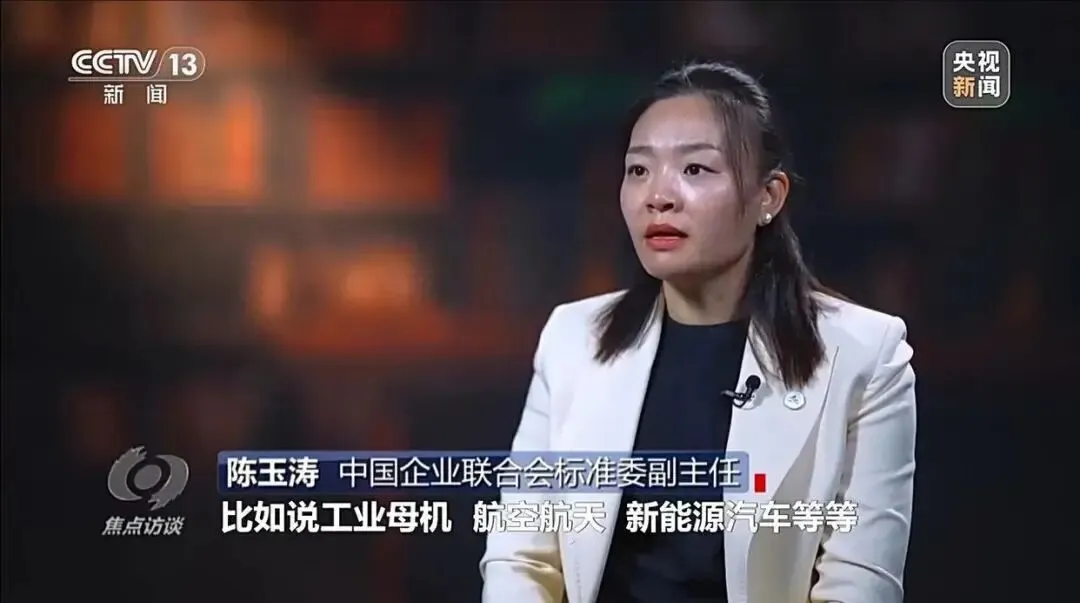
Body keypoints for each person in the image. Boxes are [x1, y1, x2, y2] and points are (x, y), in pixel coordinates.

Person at [480, 61, 916, 603]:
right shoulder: (573, 338)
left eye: (695, 169)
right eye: (639, 170)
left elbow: (860, 584)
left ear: (768, 197)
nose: (658, 196)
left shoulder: (865, 355)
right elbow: (520, 556)